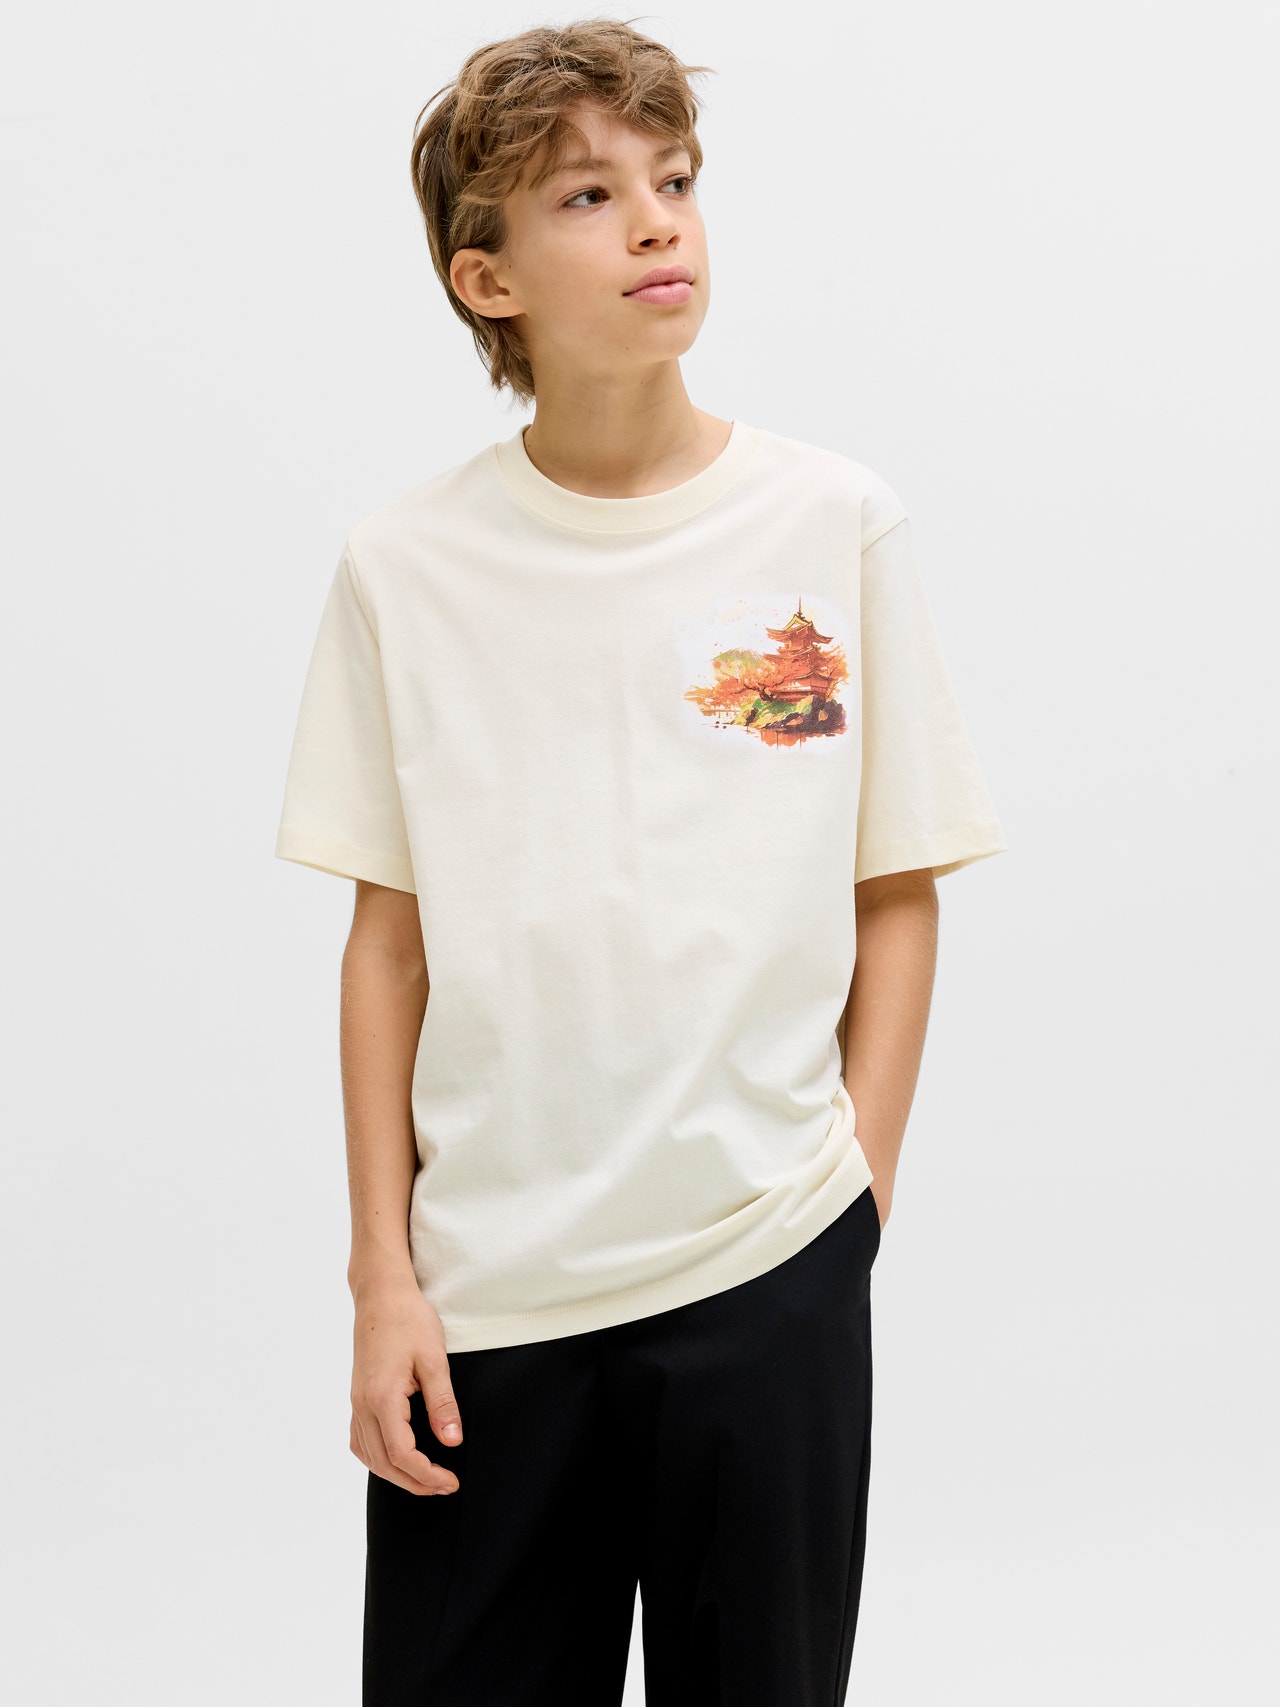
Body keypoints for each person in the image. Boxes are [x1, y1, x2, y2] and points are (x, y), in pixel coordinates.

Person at [273, 18, 1007, 1706]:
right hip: (489, 1301)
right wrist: (385, 1280)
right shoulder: (406, 568)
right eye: (589, 196)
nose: (658, 219)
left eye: (672, 179)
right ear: (487, 279)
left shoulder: (829, 524)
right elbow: (389, 947)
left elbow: (897, 887)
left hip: (768, 1263)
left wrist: (853, 1203)